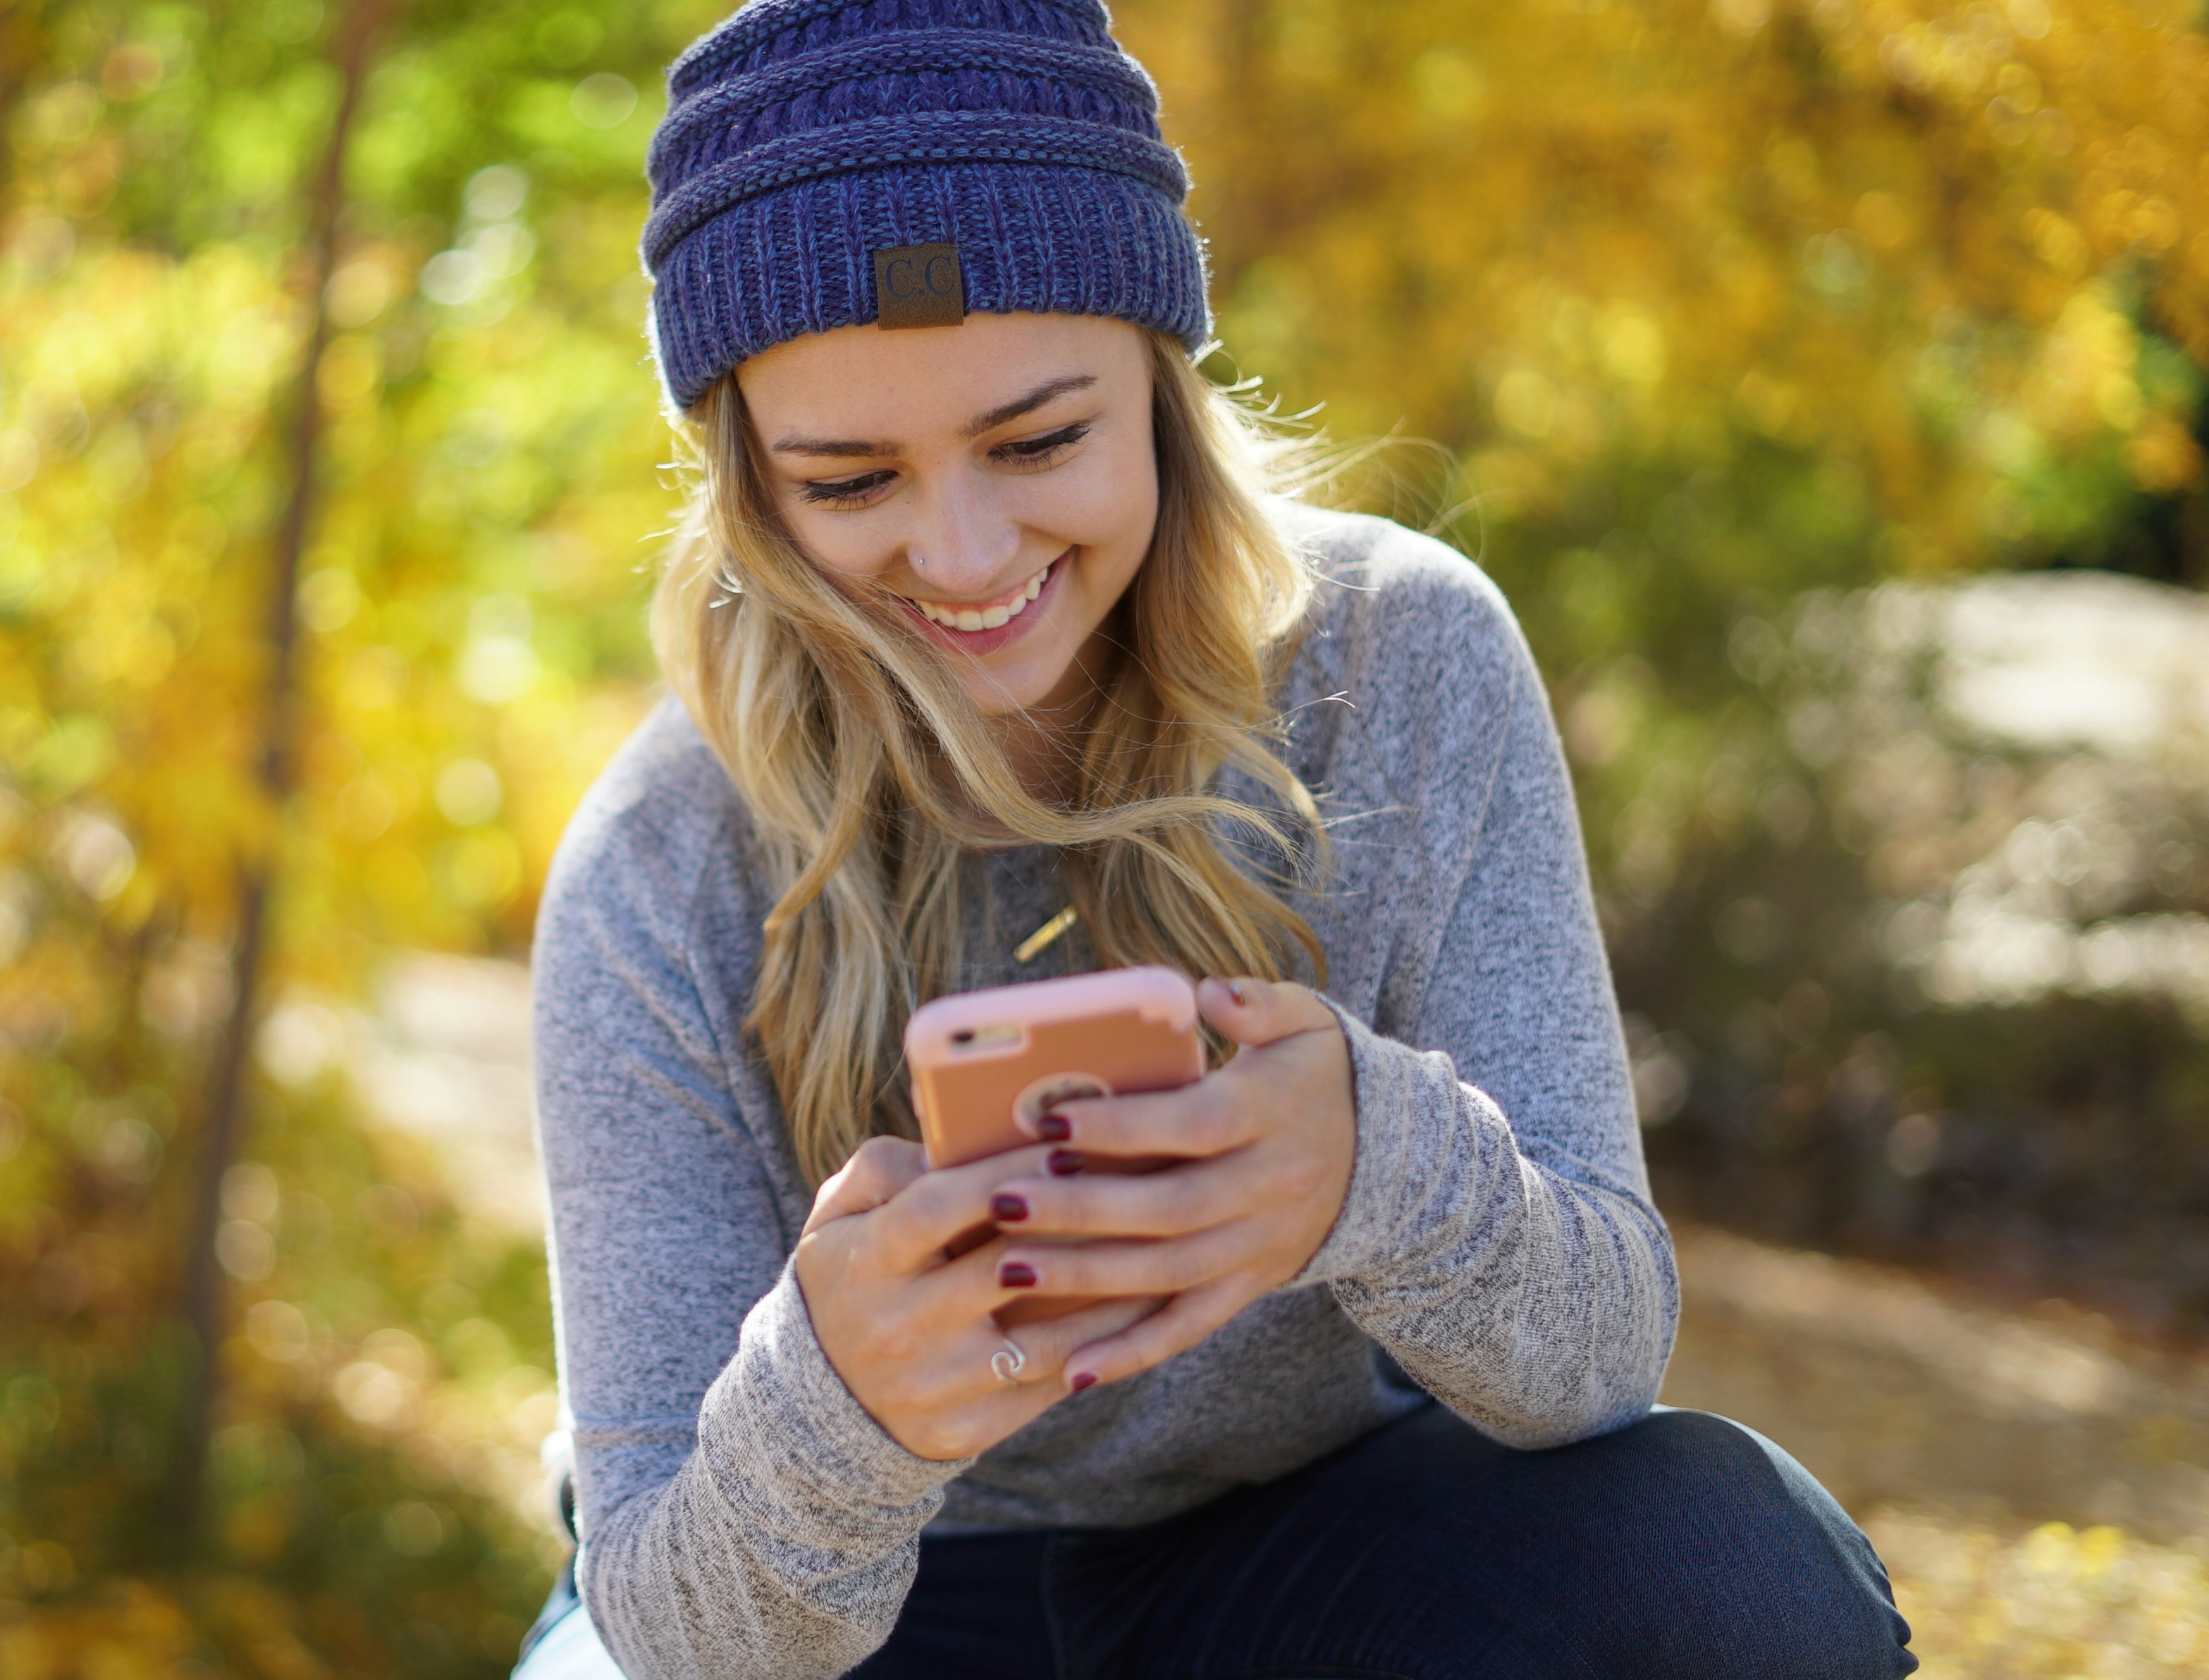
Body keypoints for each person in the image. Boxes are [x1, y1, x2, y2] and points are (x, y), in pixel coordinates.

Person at [519, 2, 1917, 1676]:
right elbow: (676, 1623)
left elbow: (1596, 1349)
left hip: (1303, 1538)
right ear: (746, 479)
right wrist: (838, 1403)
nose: (962, 554)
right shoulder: (657, 863)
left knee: (1722, 1561)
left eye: (1040, 440)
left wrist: (1369, 1169)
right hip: (844, 1602)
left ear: (1162, 388)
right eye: (848, 480)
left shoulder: (1400, 663)